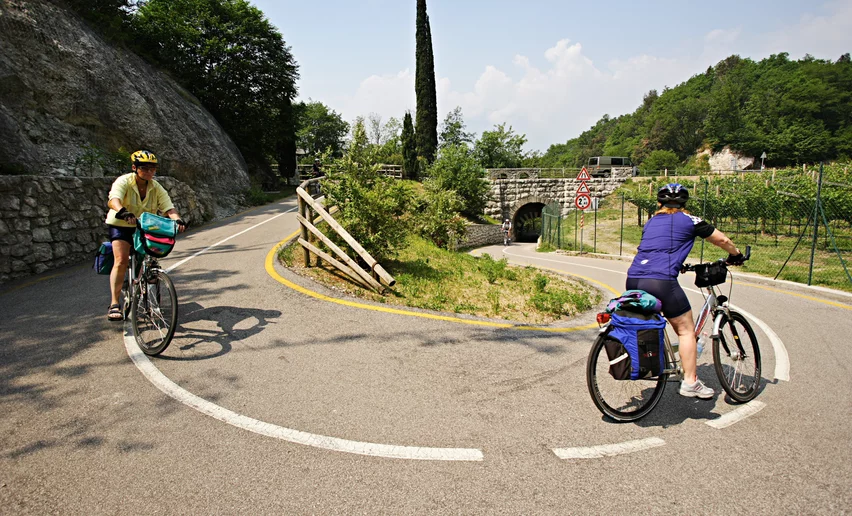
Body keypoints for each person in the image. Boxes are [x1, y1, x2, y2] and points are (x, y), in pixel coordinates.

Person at [626, 183, 745, 399]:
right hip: (661, 280)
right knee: (685, 330)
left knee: (653, 323)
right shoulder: (690, 220)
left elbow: (657, 248)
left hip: (634, 278)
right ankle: (690, 382)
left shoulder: (651, 222)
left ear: (659, 203)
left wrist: (677, 262)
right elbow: (722, 240)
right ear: (684, 203)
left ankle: (660, 358)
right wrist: (735, 255)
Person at [104, 150, 187, 321]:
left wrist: (178, 220)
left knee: (151, 261)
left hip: (144, 226)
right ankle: (114, 303)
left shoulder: (156, 187)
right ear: (135, 168)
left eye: (153, 168)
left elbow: (168, 207)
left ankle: (151, 297)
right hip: (121, 224)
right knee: (121, 260)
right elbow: (113, 199)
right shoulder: (124, 181)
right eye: (145, 168)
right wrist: (122, 211)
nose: (149, 172)